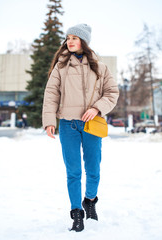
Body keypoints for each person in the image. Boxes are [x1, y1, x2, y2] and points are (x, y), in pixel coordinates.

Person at [42, 23, 119, 232]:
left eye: (75, 37)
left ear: (84, 41)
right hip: (68, 125)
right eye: (68, 38)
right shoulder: (60, 67)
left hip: (91, 125)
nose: (70, 41)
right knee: (73, 172)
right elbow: (51, 95)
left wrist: (96, 108)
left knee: (93, 170)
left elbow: (112, 93)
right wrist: (49, 121)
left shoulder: (100, 67)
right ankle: (77, 213)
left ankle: (90, 200)